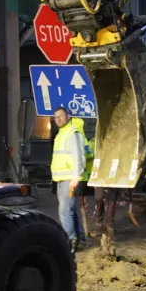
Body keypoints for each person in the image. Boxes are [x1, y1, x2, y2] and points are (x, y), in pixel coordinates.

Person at [50, 106, 87, 248]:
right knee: (70, 210)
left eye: (61, 116)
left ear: (68, 116)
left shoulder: (72, 133)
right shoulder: (61, 134)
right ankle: (80, 238)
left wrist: (76, 176)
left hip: (70, 178)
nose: (58, 119)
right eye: (56, 117)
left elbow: (78, 155)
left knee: (64, 211)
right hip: (62, 178)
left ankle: (69, 241)